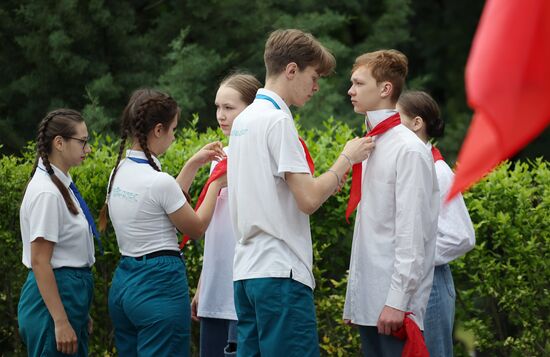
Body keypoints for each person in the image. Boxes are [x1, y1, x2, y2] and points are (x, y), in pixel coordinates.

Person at [227, 29, 374, 356]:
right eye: (314, 75)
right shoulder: (278, 120)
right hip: (281, 272)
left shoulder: (243, 120)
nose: (317, 86)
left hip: (246, 273)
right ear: (291, 70)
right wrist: (345, 159)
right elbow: (307, 199)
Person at [100, 88, 227, 356]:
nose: (173, 136)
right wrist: (216, 182)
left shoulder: (119, 171)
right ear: (158, 130)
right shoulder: (158, 181)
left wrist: (193, 164)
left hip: (125, 282)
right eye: (173, 130)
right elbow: (196, 227)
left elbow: (163, 202)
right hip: (158, 285)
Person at [342, 50, 439, 356]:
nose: (350, 91)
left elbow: (412, 232)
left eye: (358, 83)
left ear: (385, 89)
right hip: (370, 302)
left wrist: (397, 301)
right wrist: (355, 299)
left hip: (394, 307)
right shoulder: (370, 145)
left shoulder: (408, 149)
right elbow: (373, 230)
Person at [397, 90, 475, 357]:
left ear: (416, 123)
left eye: (397, 118)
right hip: (408, 281)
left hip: (430, 284)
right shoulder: (411, 166)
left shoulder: (439, 171)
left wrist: (413, 255)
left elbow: (462, 236)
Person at [190, 73, 261, 357]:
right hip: (215, 290)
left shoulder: (261, 158)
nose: (221, 115)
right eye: (218, 107)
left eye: (229, 108)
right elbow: (215, 232)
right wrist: (202, 285)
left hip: (246, 289)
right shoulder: (219, 160)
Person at [18, 109, 99, 356]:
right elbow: (40, 261)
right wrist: (61, 320)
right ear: (60, 143)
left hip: (67, 294)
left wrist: (79, 309)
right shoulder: (47, 192)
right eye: (83, 142)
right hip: (53, 297)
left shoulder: (60, 183)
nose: (88, 149)